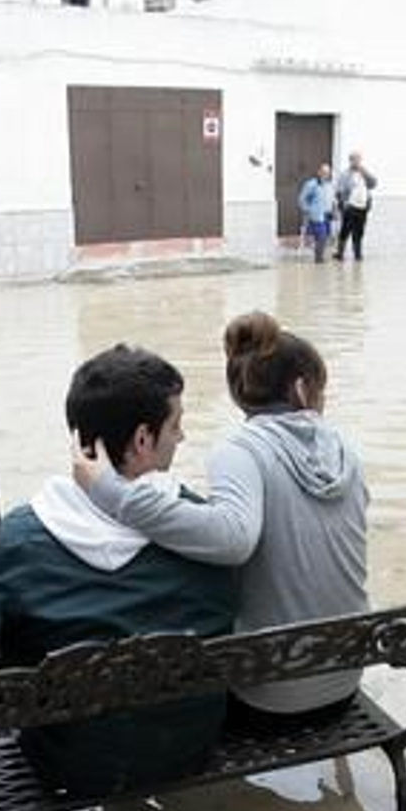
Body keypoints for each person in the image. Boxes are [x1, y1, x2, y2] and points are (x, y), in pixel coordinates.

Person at [73, 312, 367, 731]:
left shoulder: (240, 449)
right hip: (345, 684)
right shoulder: (345, 451)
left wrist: (111, 492)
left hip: (271, 704)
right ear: (303, 388)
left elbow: (232, 540)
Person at [0, 345, 235, 796]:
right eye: (175, 425)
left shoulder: (14, 542)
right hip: (189, 750)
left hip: (70, 768)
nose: (181, 437)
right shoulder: (210, 534)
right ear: (143, 440)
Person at [334, 151, 378, 262]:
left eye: (358, 160)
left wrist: (364, 171)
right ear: (350, 161)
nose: (356, 162)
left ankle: (358, 254)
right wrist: (342, 205)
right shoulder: (345, 174)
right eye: (354, 160)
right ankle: (340, 253)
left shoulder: (364, 173)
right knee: (345, 230)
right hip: (350, 207)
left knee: (359, 232)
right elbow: (339, 191)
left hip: (362, 207)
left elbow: (373, 184)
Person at [298, 163, 336, 264]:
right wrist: (308, 210)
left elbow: (332, 199)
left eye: (328, 173)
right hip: (316, 215)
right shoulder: (311, 184)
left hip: (327, 215)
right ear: (319, 172)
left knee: (325, 237)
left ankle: (319, 257)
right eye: (323, 172)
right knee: (321, 236)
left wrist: (335, 211)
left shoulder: (330, 185)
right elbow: (302, 199)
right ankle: (319, 259)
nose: (325, 174)